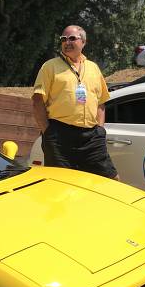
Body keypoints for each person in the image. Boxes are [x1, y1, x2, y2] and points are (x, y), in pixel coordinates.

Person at [31, 24, 119, 179]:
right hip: (59, 136)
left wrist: (100, 130)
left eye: (72, 38)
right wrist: (48, 132)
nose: (67, 42)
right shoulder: (50, 67)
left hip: (91, 137)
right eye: (63, 39)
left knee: (110, 179)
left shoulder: (93, 68)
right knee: (61, 185)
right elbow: (37, 101)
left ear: (83, 42)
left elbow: (101, 102)